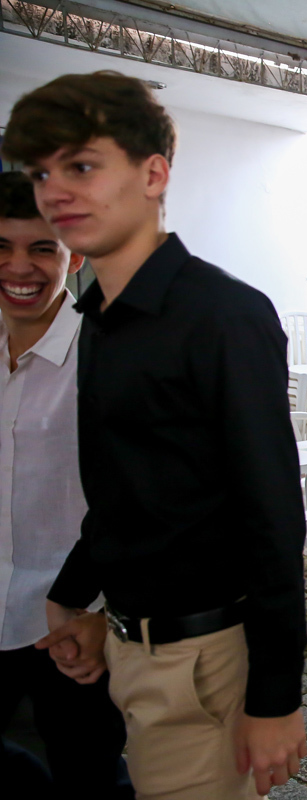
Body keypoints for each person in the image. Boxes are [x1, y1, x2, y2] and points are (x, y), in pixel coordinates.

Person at [5, 71, 307, 798]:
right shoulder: (101, 321)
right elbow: (129, 497)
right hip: (127, 647)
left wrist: (275, 698)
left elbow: (272, 517)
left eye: (82, 166)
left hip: (200, 664)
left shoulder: (223, 315)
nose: (56, 192)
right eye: (43, 172)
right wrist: (73, 597)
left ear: (153, 174)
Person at [0, 172, 132, 799]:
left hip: (70, 622)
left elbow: (139, 500)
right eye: (2, 247)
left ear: (74, 256)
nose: (18, 266)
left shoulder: (106, 355)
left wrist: (107, 614)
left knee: (87, 776)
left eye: (41, 248)